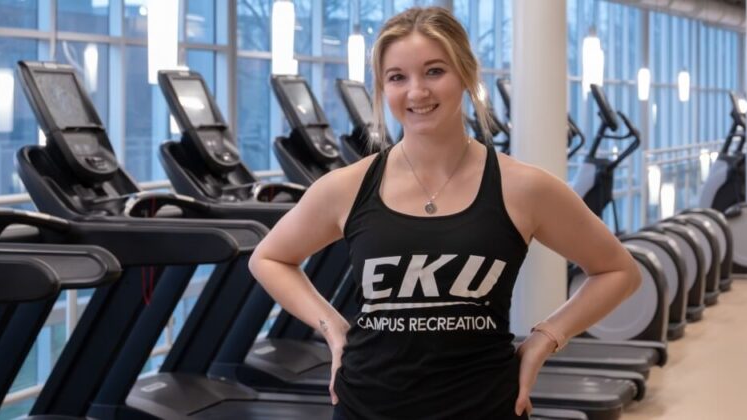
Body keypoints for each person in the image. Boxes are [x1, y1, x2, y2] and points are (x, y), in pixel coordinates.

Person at [249, 7, 640, 419]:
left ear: (467, 75)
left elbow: (618, 271)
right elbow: (270, 258)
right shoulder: (347, 187)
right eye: (397, 77)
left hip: (484, 405)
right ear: (383, 89)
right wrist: (333, 329)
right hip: (367, 404)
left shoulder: (523, 187)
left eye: (435, 71)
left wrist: (546, 338)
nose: (417, 92)